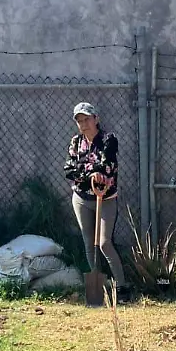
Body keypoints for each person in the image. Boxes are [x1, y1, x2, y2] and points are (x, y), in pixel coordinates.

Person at [64, 102, 127, 290]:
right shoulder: (76, 142)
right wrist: (90, 174)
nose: (84, 124)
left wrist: (87, 171)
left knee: (104, 243)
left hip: (105, 198)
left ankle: (122, 287)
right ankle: (98, 285)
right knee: (89, 243)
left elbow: (107, 166)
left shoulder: (109, 139)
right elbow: (69, 169)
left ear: (96, 119)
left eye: (87, 119)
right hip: (82, 199)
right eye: (80, 121)